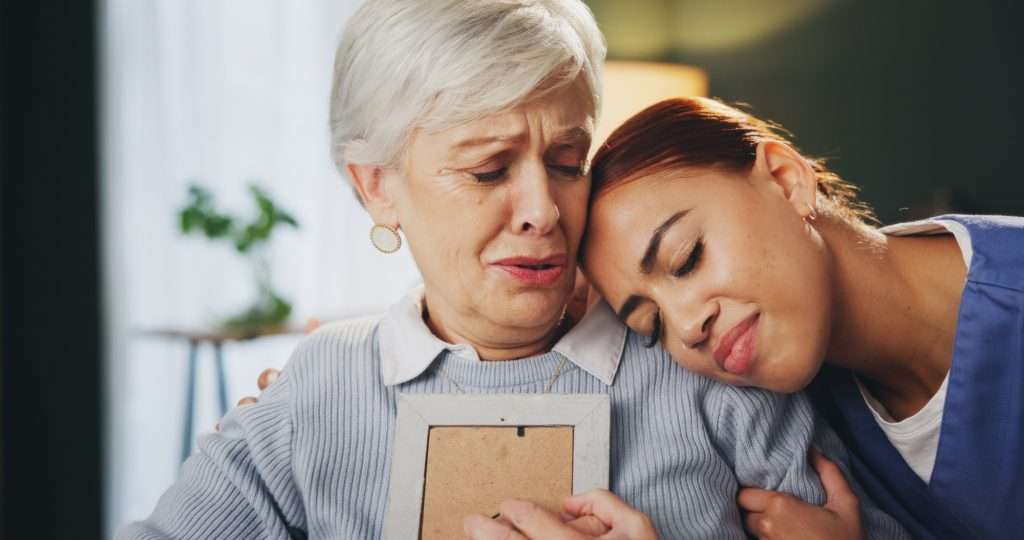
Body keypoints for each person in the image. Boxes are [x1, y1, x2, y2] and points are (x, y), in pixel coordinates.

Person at [120, 3, 908, 539]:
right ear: (377, 187)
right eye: (489, 169)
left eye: (569, 160)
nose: (545, 209)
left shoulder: (708, 364)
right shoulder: (319, 387)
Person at [536, 96, 1018, 539]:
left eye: (686, 258)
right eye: (652, 326)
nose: (686, 328)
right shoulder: (802, 423)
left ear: (787, 180)